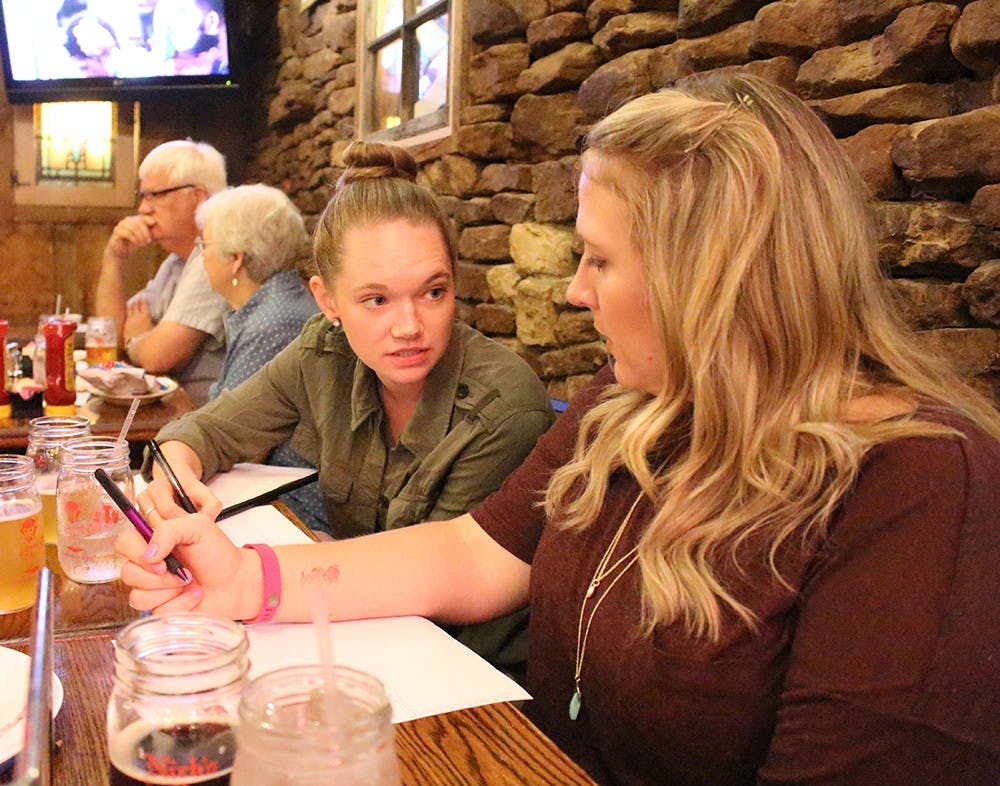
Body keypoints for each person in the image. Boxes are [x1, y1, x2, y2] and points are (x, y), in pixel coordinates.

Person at [118, 74, 1000, 785]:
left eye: (601, 258)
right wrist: (246, 580)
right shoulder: (629, 402)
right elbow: (474, 554)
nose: (576, 291)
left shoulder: (920, 484)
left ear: (717, 277)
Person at [134, 141, 555, 674]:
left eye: (433, 292)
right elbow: (209, 430)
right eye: (376, 300)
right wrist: (176, 479)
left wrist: (253, 578)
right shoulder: (325, 352)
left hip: (466, 677)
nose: (409, 326)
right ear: (326, 299)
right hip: (349, 639)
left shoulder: (505, 405)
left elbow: (443, 578)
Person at [196, 183, 322, 529]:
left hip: (293, 508)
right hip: (269, 491)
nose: (200, 255)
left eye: (204, 245)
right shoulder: (268, 305)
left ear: (236, 258)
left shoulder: (274, 321)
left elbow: (236, 442)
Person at [94, 139, 230, 405]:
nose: (143, 209)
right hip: (175, 414)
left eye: (156, 195)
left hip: (206, 425)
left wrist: (137, 338)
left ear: (199, 198)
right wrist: (113, 257)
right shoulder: (176, 262)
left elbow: (157, 357)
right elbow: (110, 335)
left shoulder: (216, 257)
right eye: (142, 196)